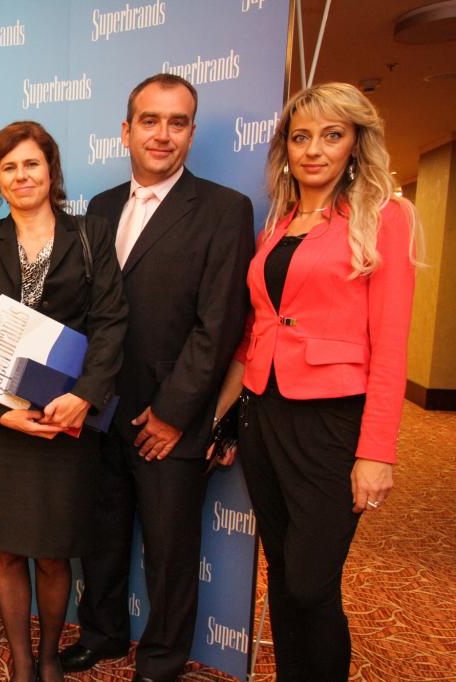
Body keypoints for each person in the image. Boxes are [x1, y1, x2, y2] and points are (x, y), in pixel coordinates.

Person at [209, 82, 421, 682]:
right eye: (301, 137)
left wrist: (377, 452)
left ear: (355, 143)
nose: (314, 150)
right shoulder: (279, 223)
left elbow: (390, 347)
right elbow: (257, 332)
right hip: (263, 415)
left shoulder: (385, 217)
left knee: (310, 583)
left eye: (332, 135)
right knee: (281, 573)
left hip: (333, 423)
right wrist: (222, 415)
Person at [60, 73, 255, 682]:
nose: (162, 134)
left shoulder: (225, 209)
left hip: (172, 416)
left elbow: (218, 324)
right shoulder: (100, 207)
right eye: (150, 120)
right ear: (126, 131)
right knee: (102, 535)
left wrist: (173, 414)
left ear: (191, 133)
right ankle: (103, 633)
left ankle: (163, 659)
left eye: (177, 122)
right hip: (100, 410)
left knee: (170, 551)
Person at [0, 121, 128, 682]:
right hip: (1, 423)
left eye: (32, 163)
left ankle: (50, 656)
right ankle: (21, 660)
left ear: (51, 170)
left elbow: (110, 322)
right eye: (9, 167)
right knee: (8, 552)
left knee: (54, 554)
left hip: (65, 420)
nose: (21, 175)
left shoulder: (90, 233)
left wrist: (84, 396)